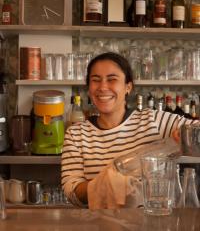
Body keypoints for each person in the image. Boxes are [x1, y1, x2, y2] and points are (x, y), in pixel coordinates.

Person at [61, 52, 195, 208]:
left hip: (153, 224)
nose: (103, 87)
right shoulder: (76, 134)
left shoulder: (154, 121)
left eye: (112, 79)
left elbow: (195, 129)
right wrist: (102, 185)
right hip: (101, 226)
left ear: (127, 87)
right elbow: (71, 191)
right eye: (96, 80)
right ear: (89, 89)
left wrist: (189, 135)